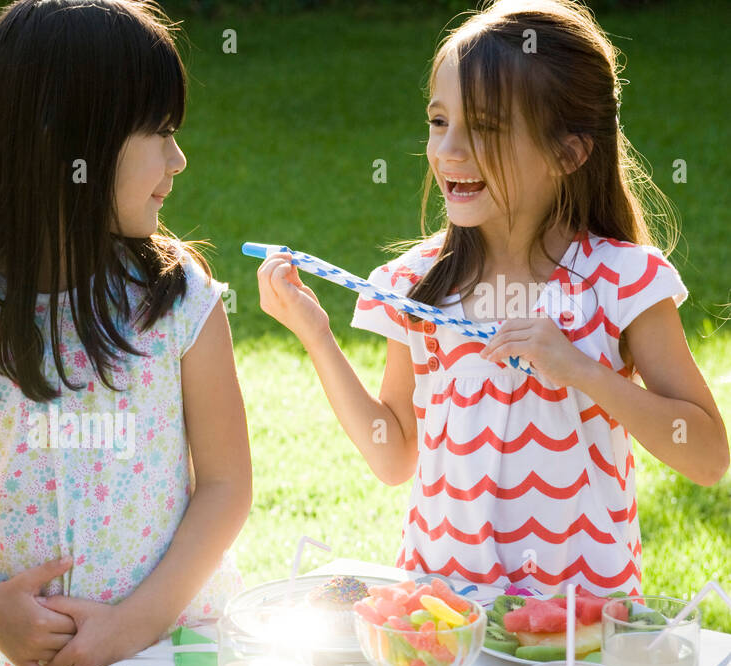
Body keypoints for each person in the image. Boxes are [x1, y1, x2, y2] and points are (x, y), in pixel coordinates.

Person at [257, 0, 727, 594]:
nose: (448, 150)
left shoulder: (621, 281)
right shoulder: (417, 284)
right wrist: (314, 334)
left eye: (484, 127)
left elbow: (707, 456)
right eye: (438, 121)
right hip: (442, 615)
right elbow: (393, 455)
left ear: (570, 151)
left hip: (579, 632)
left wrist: (584, 371)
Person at [0, 0, 251, 666]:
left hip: (181, 649)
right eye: (161, 132)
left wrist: (133, 624)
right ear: (67, 143)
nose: (179, 158)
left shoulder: (180, 302)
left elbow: (227, 485)